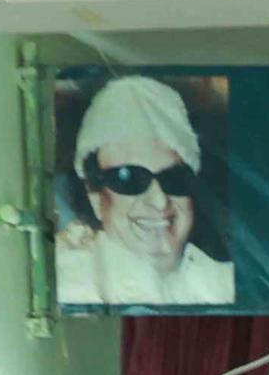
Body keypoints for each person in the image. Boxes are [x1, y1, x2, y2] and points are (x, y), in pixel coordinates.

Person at [50, 73, 235, 308]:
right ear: (95, 196)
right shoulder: (67, 285)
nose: (159, 201)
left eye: (174, 178)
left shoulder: (224, 283)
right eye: (130, 179)